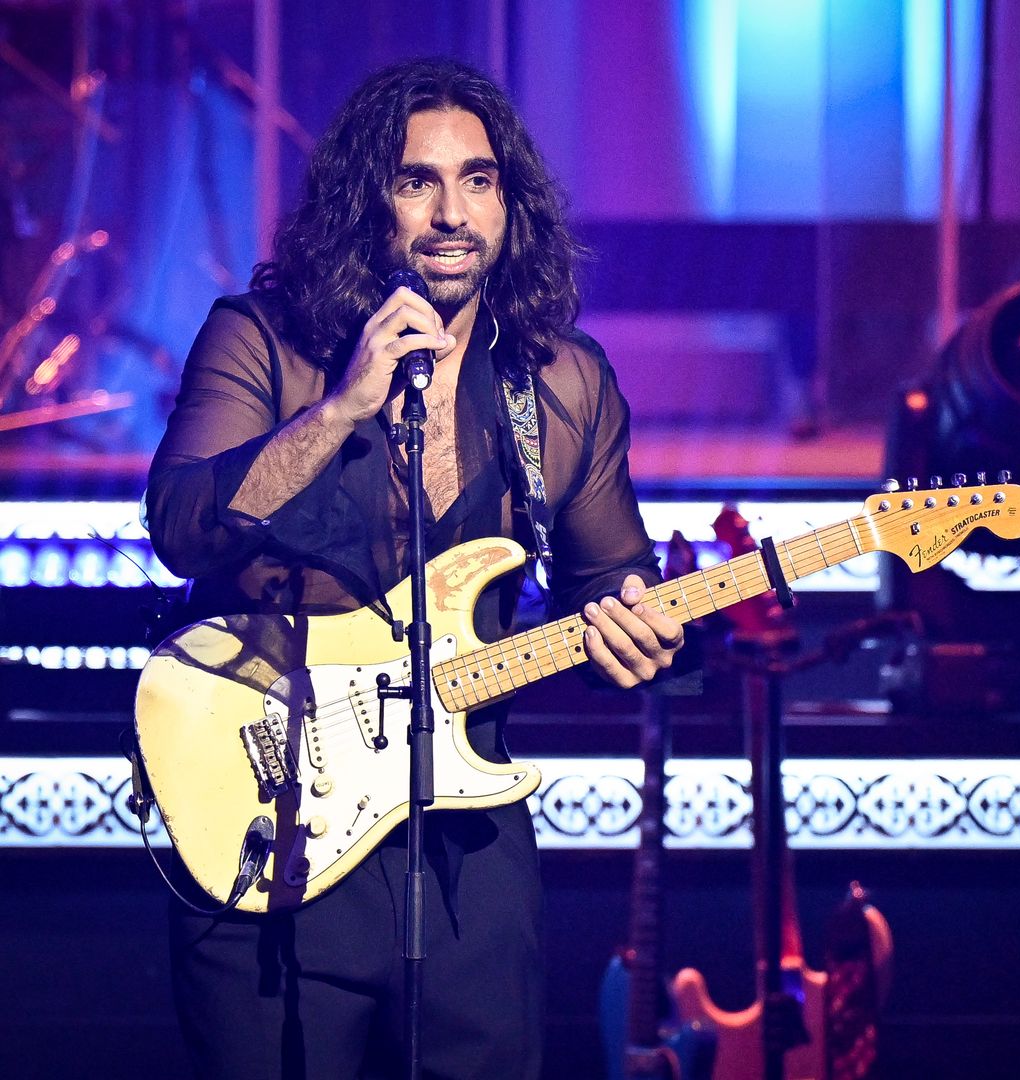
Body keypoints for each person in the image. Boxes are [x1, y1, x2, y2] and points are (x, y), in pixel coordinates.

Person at [145, 57, 684, 1079]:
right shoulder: (263, 342)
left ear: (510, 202)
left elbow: (609, 579)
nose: (451, 213)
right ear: (367, 201)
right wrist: (342, 408)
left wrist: (636, 624)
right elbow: (181, 525)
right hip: (276, 825)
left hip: (465, 851)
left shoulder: (562, 383)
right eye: (415, 181)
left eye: (478, 180)